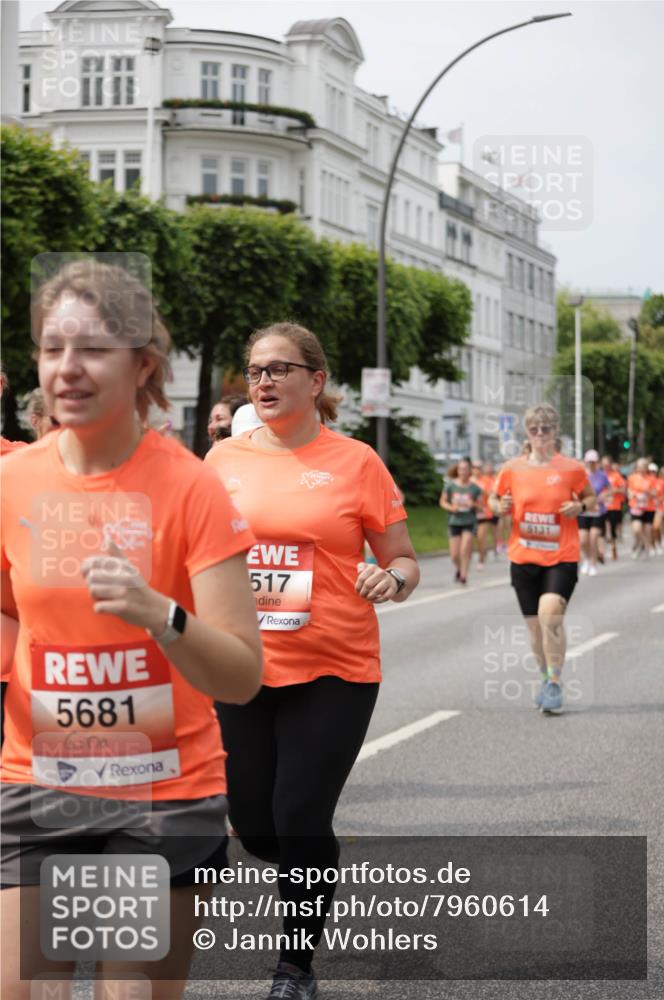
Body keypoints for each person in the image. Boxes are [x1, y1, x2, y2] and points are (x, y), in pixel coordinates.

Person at [0, 261, 263, 1000]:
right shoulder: (13, 482)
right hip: (37, 780)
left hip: (163, 793)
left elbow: (241, 674)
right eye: (52, 348)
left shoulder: (190, 487)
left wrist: (161, 615)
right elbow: (8, 612)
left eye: (91, 349)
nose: (67, 369)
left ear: (142, 363)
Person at [205, 321, 419, 1000]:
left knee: (298, 814)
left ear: (315, 380)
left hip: (334, 665)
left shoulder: (357, 462)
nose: (262, 381)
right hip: (241, 665)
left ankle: (293, 967)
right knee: (258, 827)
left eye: (278, 369)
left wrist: (394, 580)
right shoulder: (221, 461)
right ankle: (312, 856)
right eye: (255, 370)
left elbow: (403, 558)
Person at [489, 404, 595, 714]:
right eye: (534, 429)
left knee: (550, 614)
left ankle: (555, 681)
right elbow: (494, 498)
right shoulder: (512, 468)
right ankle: (546, 677)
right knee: (535, 627)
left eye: (545, 429)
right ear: (527, 432)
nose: (539, 435)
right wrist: (499, 505)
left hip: (562, 555)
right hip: (523, 557)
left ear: (555, 432)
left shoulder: (571, 468)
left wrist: (581, 508)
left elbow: (589, 497)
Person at [439, 458, 482, 585]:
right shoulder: (450, 486)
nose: (462, 471)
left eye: (465, 469)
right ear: (457, 470)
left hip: (469, 521)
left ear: (470, 471)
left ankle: (464, 575)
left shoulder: (475, 489)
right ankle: (459, 569)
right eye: (460, 469)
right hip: (454, 521)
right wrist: (452, 508)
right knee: (454, 555)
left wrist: (473, 504)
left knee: (465, 550)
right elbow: (442, 502)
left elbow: (481, 507)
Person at [578, 450, 611, 576]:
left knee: (593, 537)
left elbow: (610, 489)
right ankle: (586, 558)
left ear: (597, 462)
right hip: (584, 511)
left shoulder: (602, 475)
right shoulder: (581, 475)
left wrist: (605, 495)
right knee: (583, 540)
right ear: (586, 462)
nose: (591, 464)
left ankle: (593, 563)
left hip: (598, 511)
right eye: (589, 462)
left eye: (593, 462)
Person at [627, 458, 656, 558]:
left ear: (646, 468)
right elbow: (629, 491)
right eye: (639, 466)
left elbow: (655, 492)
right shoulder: (632, 478)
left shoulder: (651, 478)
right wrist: (633, 494)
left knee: (648, 529)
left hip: (648, 507)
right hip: (636, 507)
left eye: (643, 466)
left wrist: (648, 493)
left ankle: (647, 546)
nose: (641, 469)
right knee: (637, 529)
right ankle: (638, 544)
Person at [473, 461, 498, 569]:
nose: (476, 470)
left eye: (478, 468)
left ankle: (481, 559)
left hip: (484, 513)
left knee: (481, 537)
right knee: (476, 538)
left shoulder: (486, 481)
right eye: (474, 468)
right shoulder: (469, 481)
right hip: (471, 513)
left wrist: (483, 492)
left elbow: (491, 495)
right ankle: (483, 552)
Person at [601, 456, 626, 560]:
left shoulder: (616, 476)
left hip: (614, 506)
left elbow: (623, 489)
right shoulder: (599, 475)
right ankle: (601, 551)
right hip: (602, 507)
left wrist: (613, 491)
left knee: (612, 529)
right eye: (604, 464)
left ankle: (613, 546)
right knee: (603, 529)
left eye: (607, 464)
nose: (606, 466)